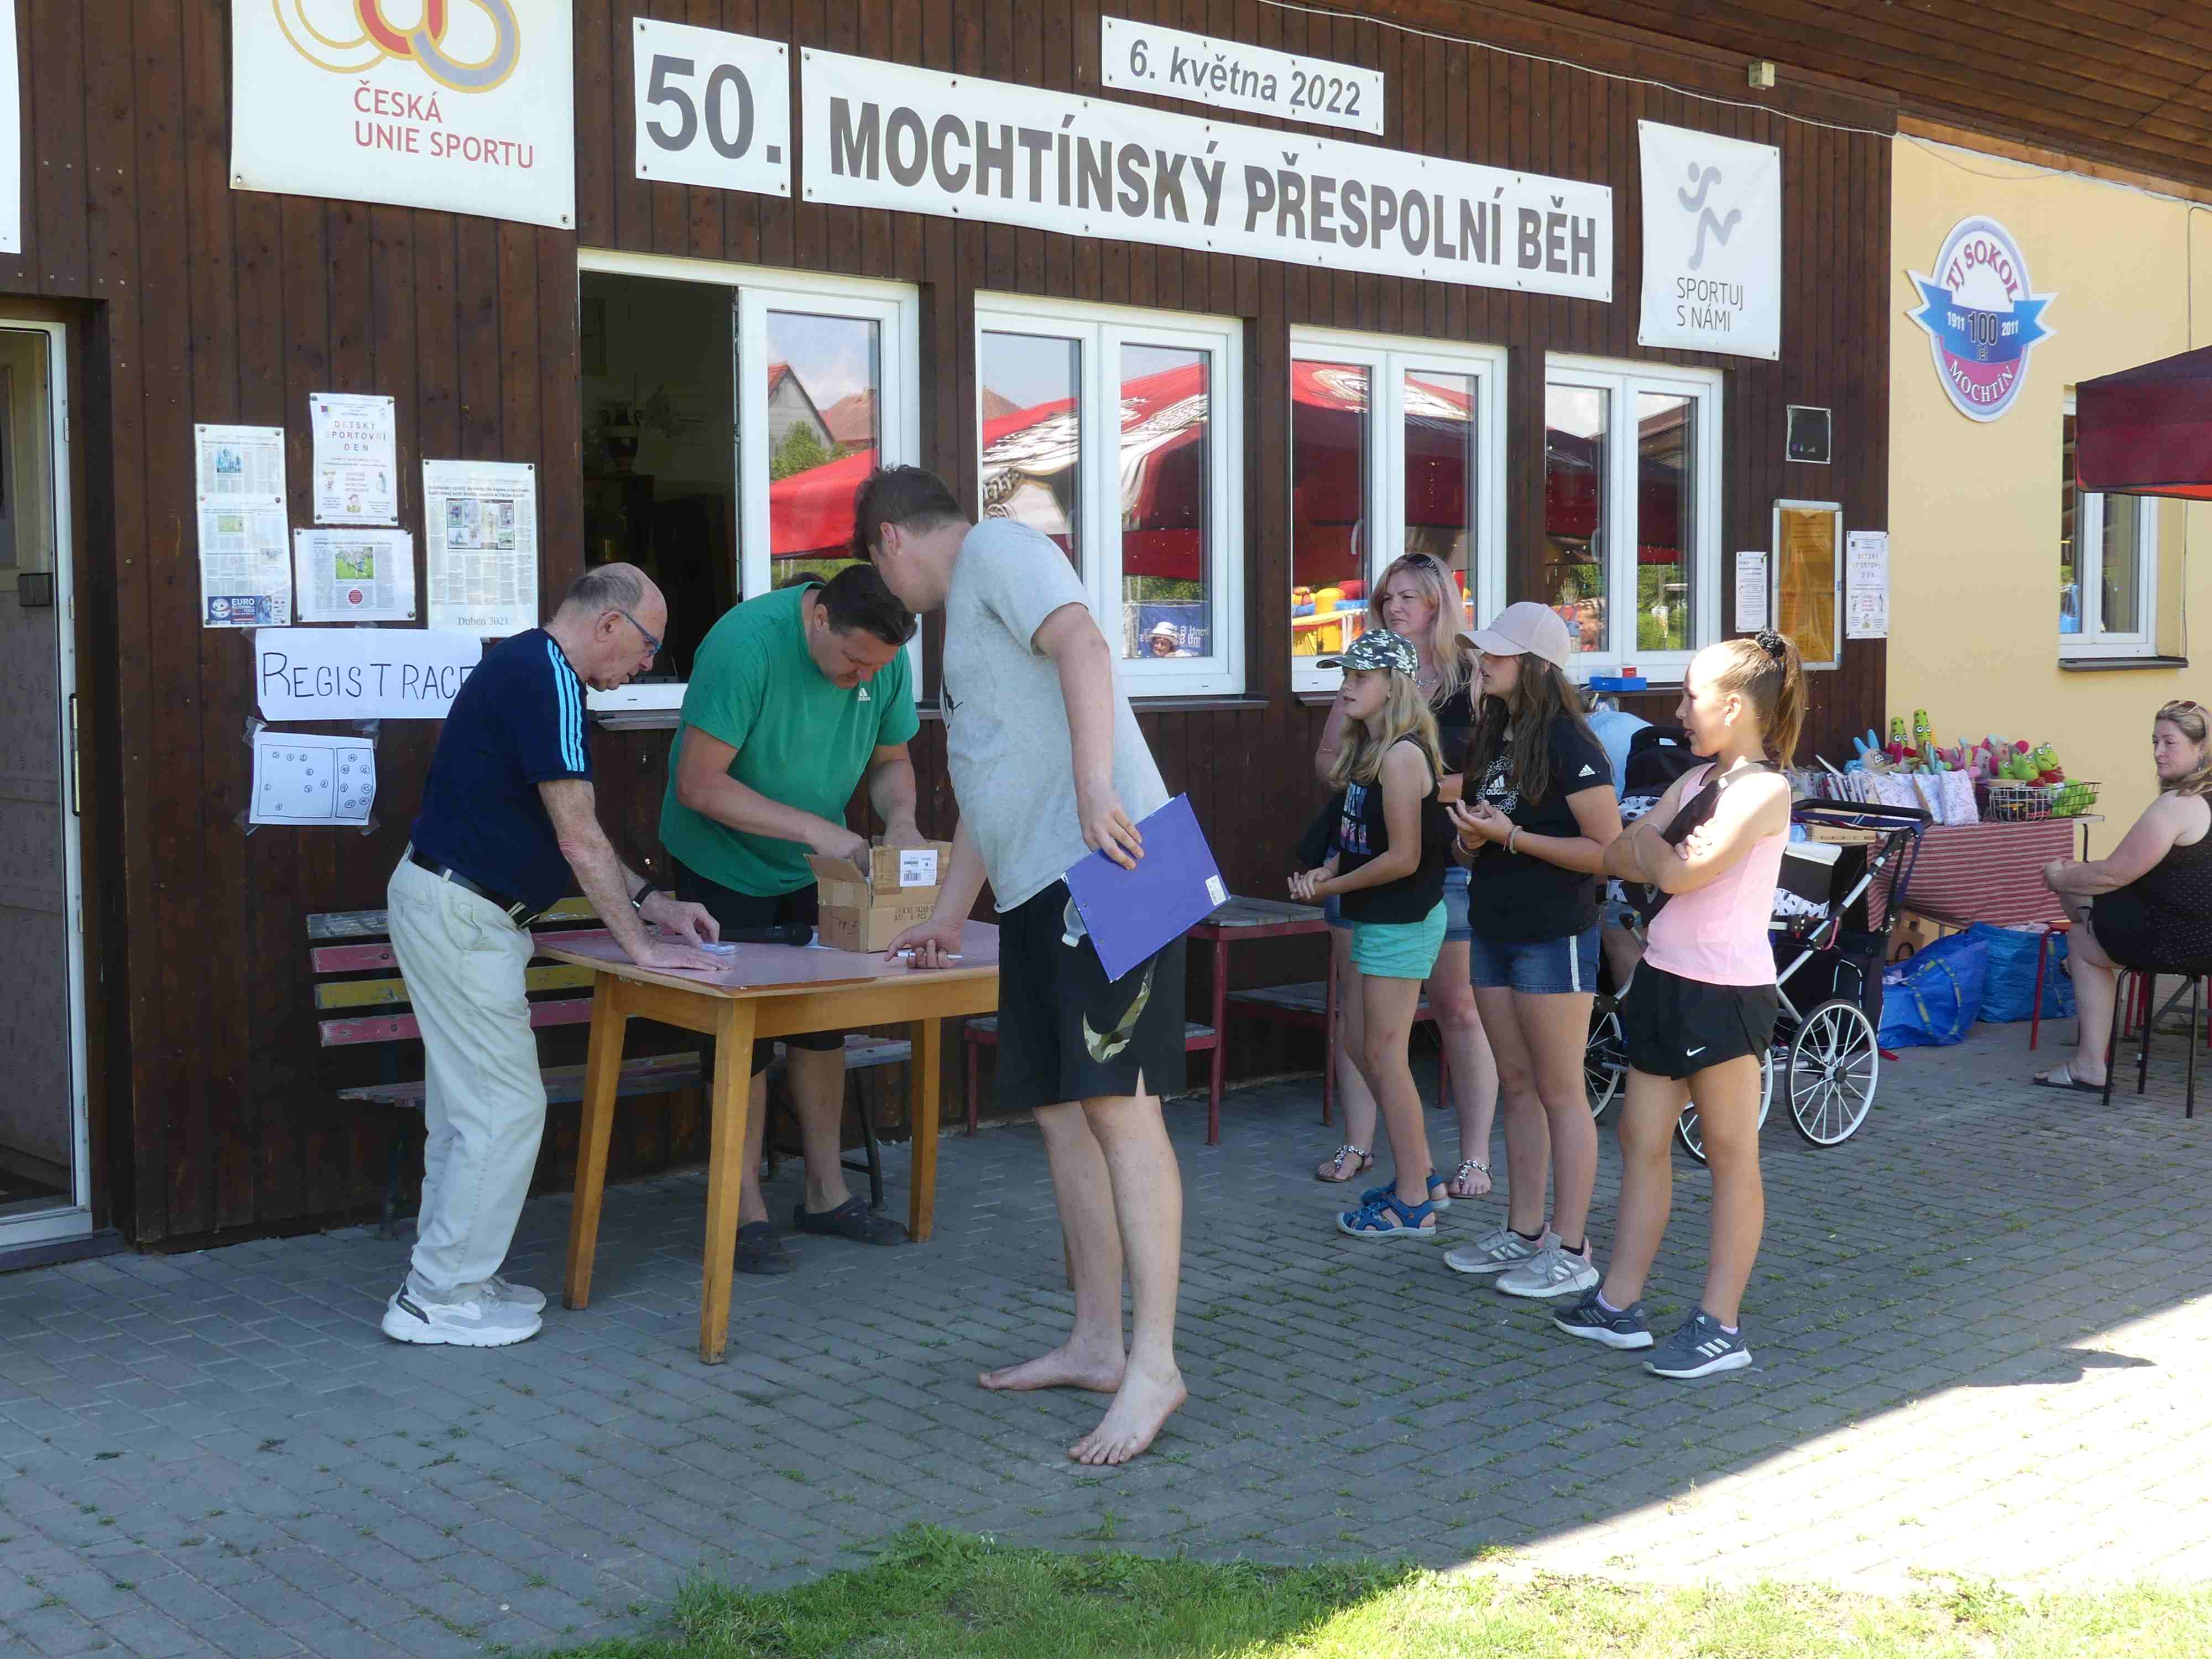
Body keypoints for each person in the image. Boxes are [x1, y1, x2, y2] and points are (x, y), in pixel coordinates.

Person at [858, 467, 1189, 1468]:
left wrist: (1094, 789)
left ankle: (1156, 1365)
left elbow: (1085, 642)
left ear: (889, 540)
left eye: (880, 568)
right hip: (1052, 879)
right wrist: (948, 916)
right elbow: (990, 786)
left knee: (1123, 1110)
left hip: (1123, 862)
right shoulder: (967, 613)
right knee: (1063, 1113)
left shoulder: (999, 549)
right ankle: (1097, 1342)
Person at [382, 565, 723, 1349]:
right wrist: (641, 948)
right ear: (608, 626)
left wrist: (653, 903)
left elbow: (570, 835)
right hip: (462, 913)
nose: (646, 666)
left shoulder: (528, 665)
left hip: (453, 905)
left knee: (467, 1112)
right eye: (648, 647)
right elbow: (578, 836)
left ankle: (455, 1274)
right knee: (503, 1109)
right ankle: (439, 1297)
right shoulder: (550, 681)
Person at [659, 563, 926, 1274]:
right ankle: (742, 1208)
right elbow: (698, 784)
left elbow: (892, 761)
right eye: (853, 662)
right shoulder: (744, 646)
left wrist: (900, 819)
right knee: (740, 1037)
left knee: (821, 1026)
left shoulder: (883, 657)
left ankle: (826, 1194)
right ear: (819, 617)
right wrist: (817, 830)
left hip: (814, 866)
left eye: (875, 667)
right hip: (722, 863)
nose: (861, 677)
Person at [1559, 632, 1803, 1379]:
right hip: (1664, 976)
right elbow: (1620, 853)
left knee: (1730, 1156)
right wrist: (1649, 849)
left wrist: (1649, 848)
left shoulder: (1764, 790)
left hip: (1723, 991)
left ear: (1733, 707)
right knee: (1640, 1139)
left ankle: (1721, 1326)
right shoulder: (1698, 778)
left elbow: (1674, 871)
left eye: (1692, 697)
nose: (1679, 711)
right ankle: (1619, 1302)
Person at [1442, 602, 1622, 1298]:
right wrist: (1471, 840)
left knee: (1559, 1090)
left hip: (1554, 934)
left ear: (1536, 667)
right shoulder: (1494, 734)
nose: (1482, 663)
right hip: (1493, 926)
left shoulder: (1573, 745)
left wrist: (1511, 837)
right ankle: (1523, 1232)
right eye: (1483, 653)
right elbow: (1479, 840)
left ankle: (1571, 1247)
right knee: (1516, 1085)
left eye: (1496, 654)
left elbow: (1606, 852)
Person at [1312, 553, 1499, 1206]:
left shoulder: (1471, 675)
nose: (1394, 606)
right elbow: (1327, 758)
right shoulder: (1366, 667)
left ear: (1439, 603)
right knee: (1358, 1013)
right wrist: (1375, 778)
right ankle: (1359, 1143)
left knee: (1458, 1007)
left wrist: (1413, 783)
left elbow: (1493, 774)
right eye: (1387, 596)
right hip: (1364, 858)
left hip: (1445, 862)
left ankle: (1474, 1155)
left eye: (1410, 597)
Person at [1290, 630, 1455, 1240]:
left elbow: (1404, 858)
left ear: (1395, 687)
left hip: (1401, 920)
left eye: (1360, 677)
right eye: (1346, 675)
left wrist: (1331, 888)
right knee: (1365, 1049)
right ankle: (1423, 1175)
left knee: (1385, 1057)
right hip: (1377, 917)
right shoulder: (1369, 751)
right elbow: (1359, 839)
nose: (1346, 688)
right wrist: (1327, 870)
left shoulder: (1402, 757)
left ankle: (1413, 1203)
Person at [2036, 699, 2212, 1093]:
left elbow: (2114, 873)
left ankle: (2089, 1065)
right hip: (2194, 928)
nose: (2158, 752)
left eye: (2170, 743)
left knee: (2081, 931)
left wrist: (2058, 877)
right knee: (2085, 906)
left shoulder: (2180, 805)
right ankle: (2083, 961)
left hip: (2181, 940)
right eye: (2154, 742)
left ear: (2201, 747)